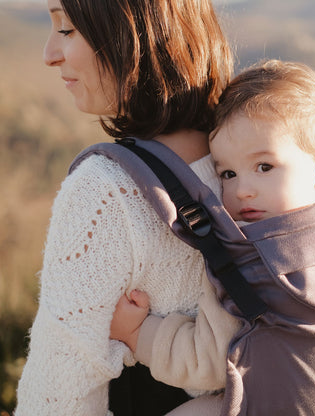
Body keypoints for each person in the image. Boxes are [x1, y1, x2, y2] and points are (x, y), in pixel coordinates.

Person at [111, 60, 315, 414]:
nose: (242, 191)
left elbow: (205, 361)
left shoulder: (261, 264)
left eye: (264, 167)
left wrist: (138, 334)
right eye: (228, 173)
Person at [14, 0, 238, 414]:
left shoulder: (106, 190)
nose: (49, 54)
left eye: (66, 29)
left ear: (132, 32)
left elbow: (60, 394)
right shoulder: (254, 166)